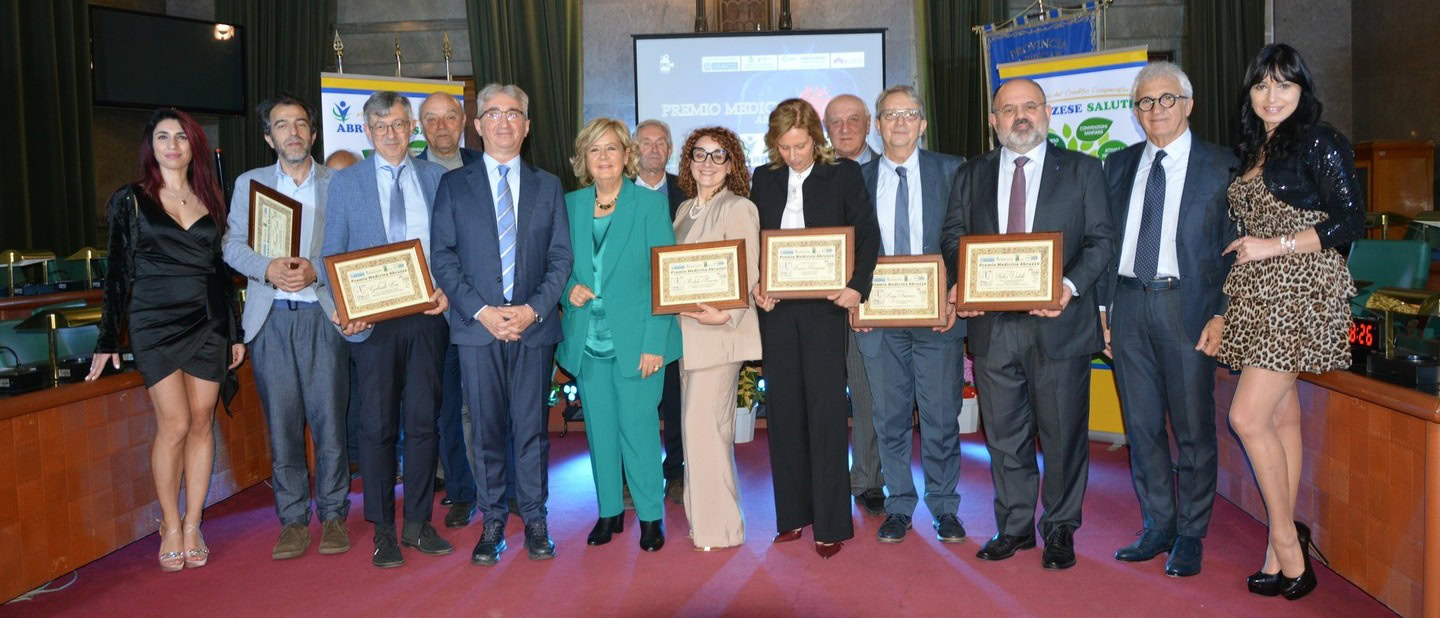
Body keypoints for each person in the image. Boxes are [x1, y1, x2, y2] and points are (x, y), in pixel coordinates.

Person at [941, 78, 1115, 570]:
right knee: (1004, 435)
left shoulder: (1083, 169)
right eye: (1008, 109)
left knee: (1062, 436)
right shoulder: (971, 173)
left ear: (1047, 112)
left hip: (1059, 322)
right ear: (993, 120)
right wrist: (962, 281)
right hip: (994, 328)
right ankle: (1015, 526)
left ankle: (1060, 528)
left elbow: (1102, 240)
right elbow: (954, 235)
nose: (1020, 117)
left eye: (1029, 107)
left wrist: (1069, 286)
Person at [1219, 43, 1362, 601]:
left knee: (1246, 416)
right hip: (1260, 291)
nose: (1271, 96)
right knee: (1279, 419)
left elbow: (1353, 219)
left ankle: (1286, 542)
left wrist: (1273, 245)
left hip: (1299, 289)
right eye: (1260, 85)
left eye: (1283, 84)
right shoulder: (1259, 145)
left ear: (1302, 89)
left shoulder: (1320, 139)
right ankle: (1279, 546)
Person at [87, 107, 245, 571]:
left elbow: (221, 272)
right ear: (150, 146)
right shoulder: (130, 200)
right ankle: (170, 523)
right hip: (153, 321)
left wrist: (234, 331)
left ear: (192, 143)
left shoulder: (210, 197)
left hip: (208, 320)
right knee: (173, 424)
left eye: (180, 136)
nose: (172, 144)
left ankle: (194, 522)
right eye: (162, 137)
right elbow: (116, 273)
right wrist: (107, 338)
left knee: (201, 421)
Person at [1097, 62, 1237, 577]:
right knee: (1141, 424)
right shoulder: (1117, 164)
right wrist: (1103, 311)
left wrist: (1224, 313)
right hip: (1128, 305)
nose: (1155, 111)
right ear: (1135, 112)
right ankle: (1158, 524)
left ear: (1189, 104)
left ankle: (1192, 533)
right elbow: (1105, 244)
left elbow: (1235, 252)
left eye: (1166, 100)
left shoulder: (1224, 166)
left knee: (1193, 428)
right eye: (1144, 103)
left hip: (1188, 307)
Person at [430, 83, 572, 566]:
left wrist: (531, 310)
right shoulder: (453, 186)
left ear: (527, 126)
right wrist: (484, 312)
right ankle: (492, 520)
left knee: (531, 429)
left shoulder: (548, 185)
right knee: (486, 429)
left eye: (514, 114)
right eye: (493, 113)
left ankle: (534, 518)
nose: (504, 122)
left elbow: (560, 259)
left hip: (533, 329)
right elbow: (443, 259)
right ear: (478, 124)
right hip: (477, 329)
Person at [321, 90, 453, 568]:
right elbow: (329, 255)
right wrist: (343, 307)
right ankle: (382, 530)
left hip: (426, 318)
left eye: (399, 125)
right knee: (375, 428)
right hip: (372, 325)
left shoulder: (438, 179)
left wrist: (447, 292)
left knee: (423, 424)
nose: (392, 135)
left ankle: (417, 523)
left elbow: (451, 250)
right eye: (381, 127)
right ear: (367, 131)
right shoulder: (346, 183)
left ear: (412, 126)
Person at [750, 98, 880, 559]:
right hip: (778, 313)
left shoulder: (843, 174)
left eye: (800, 145)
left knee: (826, 414)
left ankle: (830, 522)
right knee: (783, 413)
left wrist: (857, 288)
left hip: (826, 312)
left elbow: (868, 235)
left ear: (815, 139)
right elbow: (753, 246)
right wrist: (757, 286)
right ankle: (792, 516)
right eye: (784, 147)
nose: (793, 155)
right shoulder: (762, 179)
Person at [223, 93, 351, 560]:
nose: (293, 132)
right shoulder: (249, 184)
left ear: (313, 133)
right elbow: (231, 245)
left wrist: (316, 268)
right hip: (270, 320)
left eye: (301, 124)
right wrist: (266, 268)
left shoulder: (339, 183)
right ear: (268, 136)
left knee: (330, 422)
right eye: (282, 125)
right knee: (282, 425)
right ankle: (293, 521)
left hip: (323, 315)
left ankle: (334, 515)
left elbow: (352, 244)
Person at [556, 117, 680, 552]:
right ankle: (609, 511)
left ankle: (650, 517)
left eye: (612, 148)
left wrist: (654, 344)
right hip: (587, 340)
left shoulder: (648, 206)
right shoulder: (569, 205)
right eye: (595, 150)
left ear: (626, 156)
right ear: (583, 160)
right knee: (600, 430)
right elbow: (558, 263)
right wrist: (567, 288)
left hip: (638, 343)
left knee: (640, 430)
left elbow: (664, 279)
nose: (604, 157)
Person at [854, 86, 967, 544]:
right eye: (890, 114)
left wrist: (958, 291)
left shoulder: (953, 170)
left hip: (938, 314)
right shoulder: (855, 179)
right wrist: (853, 298)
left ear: (922, 123)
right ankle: (899, 504)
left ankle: (945, 507)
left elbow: (965, 235)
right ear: (877, 126)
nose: (899, 122)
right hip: (879, 320)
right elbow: (849, 248)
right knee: (890, 416)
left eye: (909, 113)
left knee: (941, 416)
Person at [671, 126, 762, 550]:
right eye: (699, 154)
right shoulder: (684, 210)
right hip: (688, 335)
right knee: (698, 433)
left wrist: (724, 314)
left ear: (732, 165)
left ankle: (720, 529)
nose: (707, 163)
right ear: (688, 162)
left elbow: (749, 271)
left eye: (718, 155)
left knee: (706, 431)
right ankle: (705, 522)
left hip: (719, 334)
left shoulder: (738, 206)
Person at [416, 90, 482, 527]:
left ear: (464, 121)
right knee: (444, 408)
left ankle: (504, 487)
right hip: (426, 313)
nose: (442, 126)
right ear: (421, 126)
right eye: (432, 119)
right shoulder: (408, 171)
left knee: (489, 403)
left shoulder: (484, 165)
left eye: (450, 117)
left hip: (479, 308)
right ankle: (461, 491)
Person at [823, 93, 884, 516]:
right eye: (836, 122)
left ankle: (866, 477)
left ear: (869, 123)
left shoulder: (889, 170)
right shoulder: (812, 172)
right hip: (822, 302)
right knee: (823, 396)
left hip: (875, 299)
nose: (845, 129)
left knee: (868, 394)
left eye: (853, 120)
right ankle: (826, 476)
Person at [634, 118, 687, 505]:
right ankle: (634, 474)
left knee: (675, 398)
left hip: (679, 316)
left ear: (670, 150)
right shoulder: (612, 193)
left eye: (661, 143)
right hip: (630, 316)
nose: (653, 149)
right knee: (634, 402)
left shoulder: (688, 193)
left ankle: (676, 472)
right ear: (632, 149)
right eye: (645, 142)